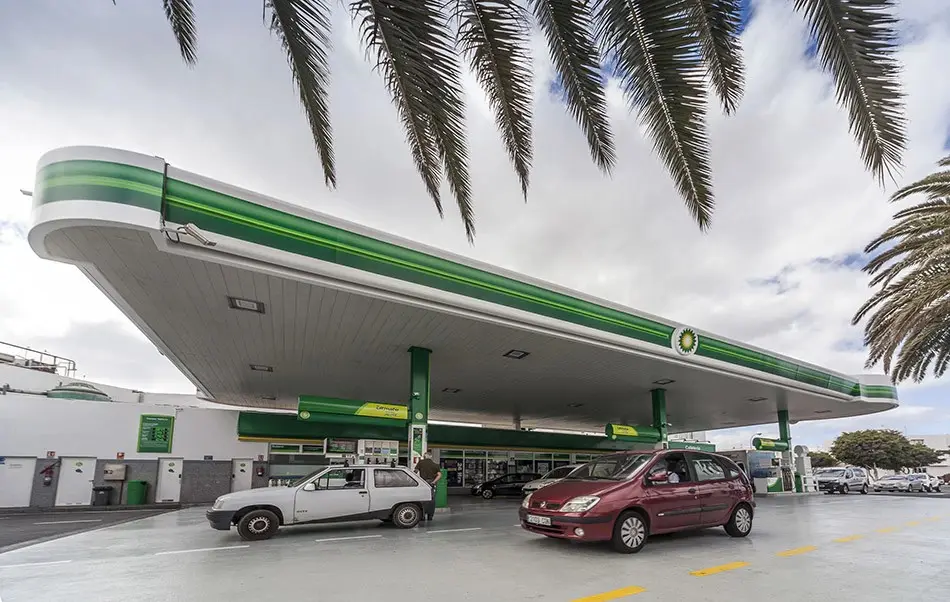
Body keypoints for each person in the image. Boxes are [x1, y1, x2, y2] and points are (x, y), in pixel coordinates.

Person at [414, 452, 441, 521]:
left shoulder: (421, 462)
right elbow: (439, 475)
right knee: (432, 500)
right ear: (431, 457)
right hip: (432, 483)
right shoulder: (435, 465)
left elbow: (415, 472)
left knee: (423, 500)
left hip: (423, 483)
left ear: (424, 456)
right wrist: (434, 482)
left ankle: (422, 516)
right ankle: (430, 516)